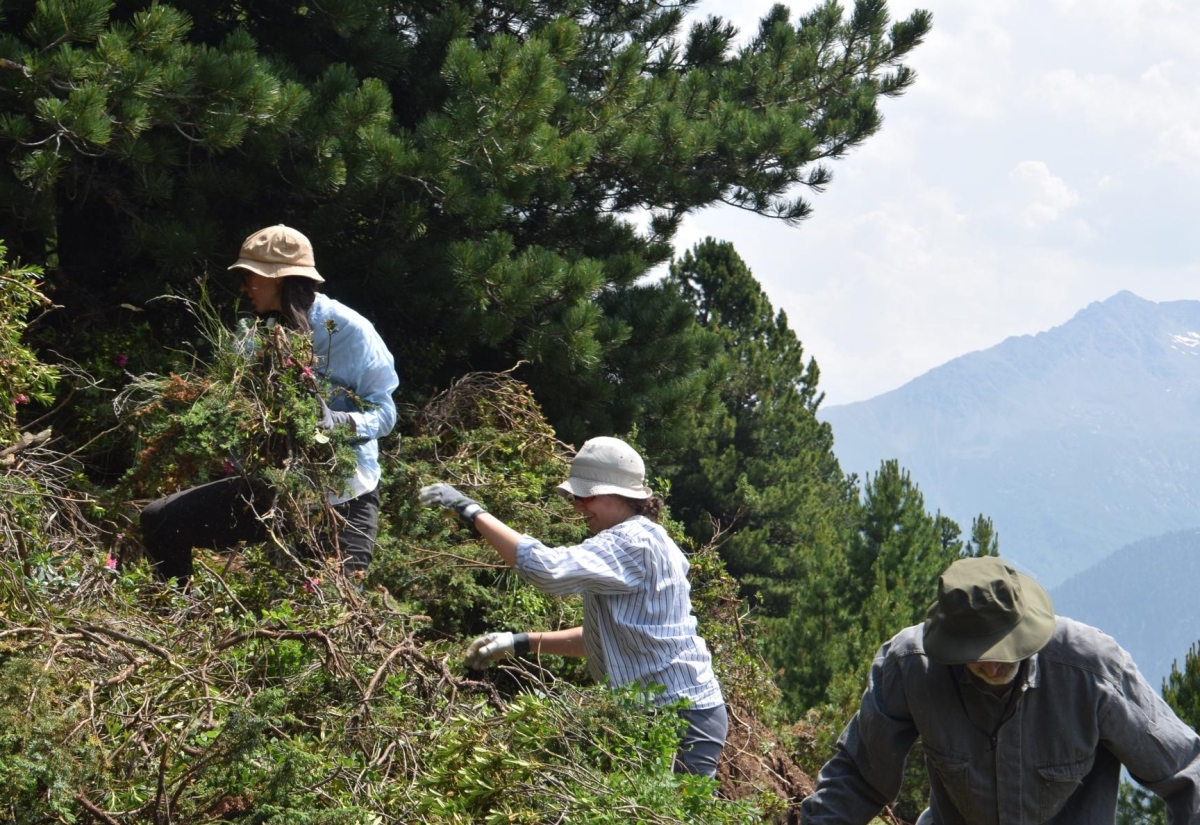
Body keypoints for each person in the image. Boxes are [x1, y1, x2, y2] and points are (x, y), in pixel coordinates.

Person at [800, 555, 1200, 825]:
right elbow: (859, 774)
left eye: (1005, 651)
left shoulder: (1092, 671)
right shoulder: (911, 666)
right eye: (978, 655)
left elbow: (1186, 773)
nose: (993, 665)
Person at [418, 436, 727, 778]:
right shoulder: (645, 538)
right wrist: (520, 643)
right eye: (575, 498)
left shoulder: (631, 542)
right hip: (665, 713)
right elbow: (608, 639)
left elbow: (547, 570)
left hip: (681, 719)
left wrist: (472, 512)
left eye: (586, 496)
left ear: (619, 495)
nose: (578, 507)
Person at [140, 224, 399, 585]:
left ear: (278, 278)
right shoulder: (253, 334)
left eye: (249, 276)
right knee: (161, 519)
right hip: (275, 488)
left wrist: (340, 421)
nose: (243, 287)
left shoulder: (348, 330)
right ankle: (181, 611)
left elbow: (386, 414)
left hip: (343, 497)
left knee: (330, 604)